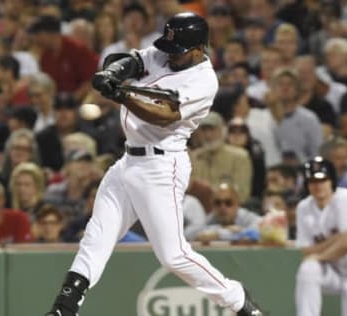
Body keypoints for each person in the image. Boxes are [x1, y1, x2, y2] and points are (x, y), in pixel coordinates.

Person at [44, 12, 263, 316]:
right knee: (97, 236)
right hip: (128, 160)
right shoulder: (166, 52)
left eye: (179, 50)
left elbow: (164, 113)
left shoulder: (203, 80)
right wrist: (112, 73)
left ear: (199, 49)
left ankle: (238, 301)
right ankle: (64, 307)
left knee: (173, 256)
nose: (169, 55)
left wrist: (122, 94)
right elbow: (131, 60)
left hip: (162, 166)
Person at [295, 156, 347, 316]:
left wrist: (320, 255)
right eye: (312, 181)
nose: (318, 185)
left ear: (331, 180)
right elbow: (306, 251)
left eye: (323, 180)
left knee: (313, 262)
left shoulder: (346, 198)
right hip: (335, 275)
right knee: (308, 269)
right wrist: (337, 238)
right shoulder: (304, 207)